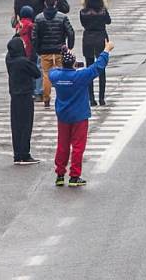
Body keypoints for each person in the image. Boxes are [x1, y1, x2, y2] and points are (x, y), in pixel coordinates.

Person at [50, 41, 114, 187]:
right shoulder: (81, 77)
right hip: (79, 116)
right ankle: (74, 176)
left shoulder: (55, 76)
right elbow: (97, 67)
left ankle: (60, 174)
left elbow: (55, 69)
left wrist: (65, 56)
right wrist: (106, 50)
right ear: (73, 63)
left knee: (62, 145)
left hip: (63, 116)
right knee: (78, 146)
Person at [33, 0, 75, 108]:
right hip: (59, 50)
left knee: (46, 75)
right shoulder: (62, 17)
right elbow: (70, 32)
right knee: (62, 74)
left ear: (45, 3)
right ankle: (63, 97)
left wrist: (37, 49)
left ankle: (46, 99)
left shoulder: (39, 18)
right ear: (55, 3)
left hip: (45, 51)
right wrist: (69, 47)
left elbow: (34, 36)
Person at [5, 37, 41, 165]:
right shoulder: (23, 61)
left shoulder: (9, 60)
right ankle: (25, 154)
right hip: (25, 95)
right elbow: (36, 73)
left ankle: (17, 154)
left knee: (16, 126)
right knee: (26, 125)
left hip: (14, 96)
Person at [79, 0, 111, 106]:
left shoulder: (83, 12)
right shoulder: (103, 11)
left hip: (88, 38)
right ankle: (101, 98)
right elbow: (108, 21)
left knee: (89, 68)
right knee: (101, 68)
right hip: (101, 38)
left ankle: (91, 99)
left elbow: (83, 24)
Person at [15, 5, 40, 100]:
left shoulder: (19, 25)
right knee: (33, 70)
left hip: (21, 51)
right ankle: (34, 90)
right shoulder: (31, 25)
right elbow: (34, 38)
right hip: (30, 50)